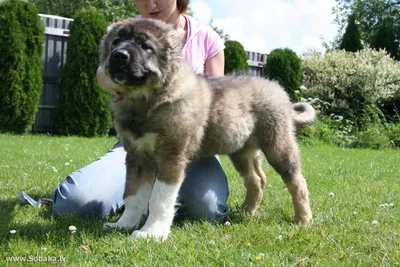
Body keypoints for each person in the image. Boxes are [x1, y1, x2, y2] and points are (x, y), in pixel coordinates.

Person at [52, 0, 230, 222]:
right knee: (75, 204)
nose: (151, 4)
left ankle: (157, 195)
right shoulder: (129, 29)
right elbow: (103, 72)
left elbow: (216, 98)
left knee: (205, 209)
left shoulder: (206, 38)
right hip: (139, 144)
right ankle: (140, 197)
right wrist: (113, 84)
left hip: (192, 149)